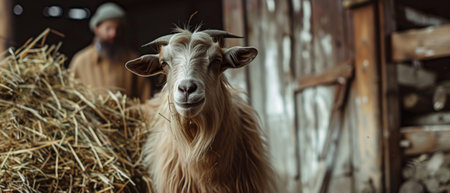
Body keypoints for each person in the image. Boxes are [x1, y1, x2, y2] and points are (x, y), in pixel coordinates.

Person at [69, 2, 152, 101]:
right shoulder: (80, 61)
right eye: (108, 28)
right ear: (97, 29)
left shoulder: (133, 60)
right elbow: (70, 95)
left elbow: (145, 95)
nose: (114, 34)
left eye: (118, 29)